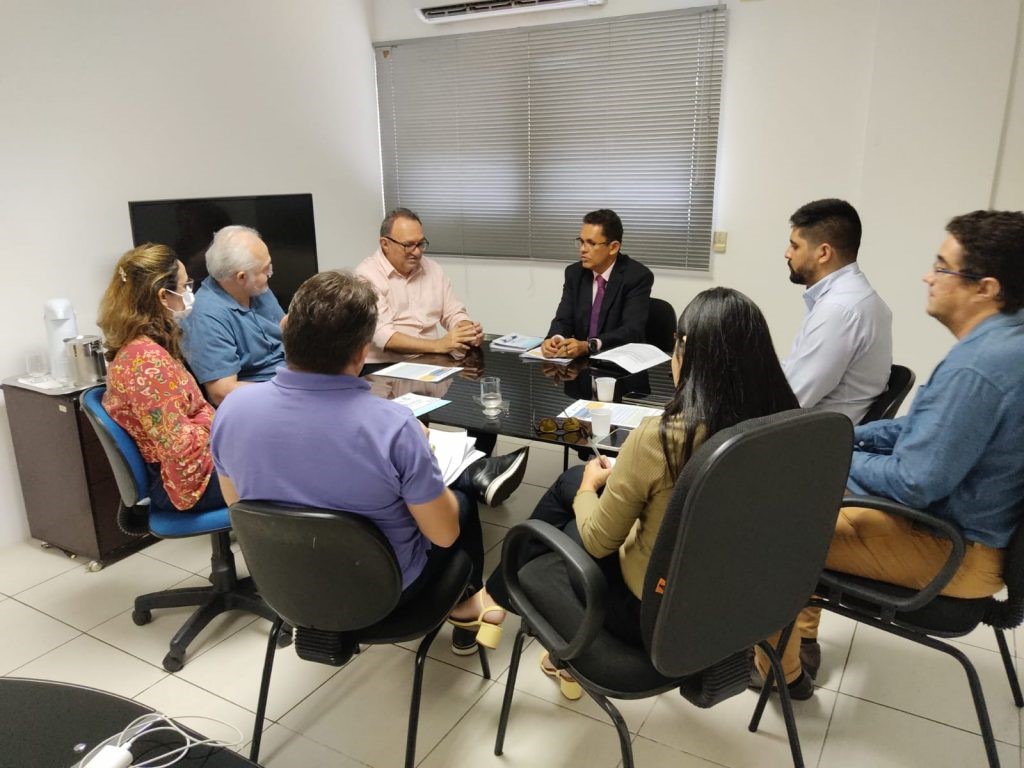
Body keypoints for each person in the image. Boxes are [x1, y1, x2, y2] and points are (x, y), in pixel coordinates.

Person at [754, 210, 1024, 701]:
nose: (928, 276)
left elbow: (914, 482)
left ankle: (782, 674)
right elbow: (919, 431)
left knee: (770, 533)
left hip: (954, 550)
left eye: (941, 267)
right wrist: (850, 438)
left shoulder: (979, 368)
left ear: (985, 288)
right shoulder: (1003, 344)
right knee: (802, 504)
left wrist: (828, 459)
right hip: (965, 533)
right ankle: (798, 639)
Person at [489, 287, 800, 698]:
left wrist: (589, 487)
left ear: (685, 351)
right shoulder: (783, 428)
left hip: (653, 620)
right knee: (571, 486)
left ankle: (500, 600)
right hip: (739, 609)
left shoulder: (663, 437)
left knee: (570, 510)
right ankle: (503, 604)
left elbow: (598, 542)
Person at [210, 270, 529, 655]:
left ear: (287, 330)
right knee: (459, 505)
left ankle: (466, 603)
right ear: (363, 353)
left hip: (286, 586)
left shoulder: (232, 411)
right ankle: (467, 605)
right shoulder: (393, 427)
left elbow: (238, 506)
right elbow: (443, 536)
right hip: (385, 594)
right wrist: (425, 461)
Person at [98, 244, 225, 515]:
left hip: (194, 464)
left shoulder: (143, 346)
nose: (189, 293)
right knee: (286, 467)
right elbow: (180, 450)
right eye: (184, 286)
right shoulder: (147, 362)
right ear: (163, 297)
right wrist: (214, 423)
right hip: (186, 482)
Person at [780, 198, 893, 424]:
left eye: (795, 246)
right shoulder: (854, 298)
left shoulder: (839, 310)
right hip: (820, 430)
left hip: (812, 438)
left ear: (823, 253)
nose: (787, 253)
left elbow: (790, 401)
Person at [354, 208, 484, 364]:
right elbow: (385, 337)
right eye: (408, 245)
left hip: (431, 361)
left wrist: (466, 330)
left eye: (420, 244)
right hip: (385, 367)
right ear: (385, 244)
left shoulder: (433, 269)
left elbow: (453, 312)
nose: (417, 252)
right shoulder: (366, 276)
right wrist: (438, 345)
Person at [180, 225, 285, 405]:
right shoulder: (207, 316)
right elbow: (221, 392)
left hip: (291, 376)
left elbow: (284, 326)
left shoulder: (255, 288)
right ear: (241, 277)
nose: (270, 274)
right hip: (264, 398)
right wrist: (288, 389)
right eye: (265, 269)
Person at [540, 209, 654, 359]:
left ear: (613, 247)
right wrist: (556, 339)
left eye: (591, 243)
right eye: (581, 241)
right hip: (580, 366)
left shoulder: (637, 276)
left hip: (618, 364)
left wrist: (590, 345)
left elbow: (632, 331)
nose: (582, 249)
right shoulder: (574, 273)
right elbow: (563, 319)